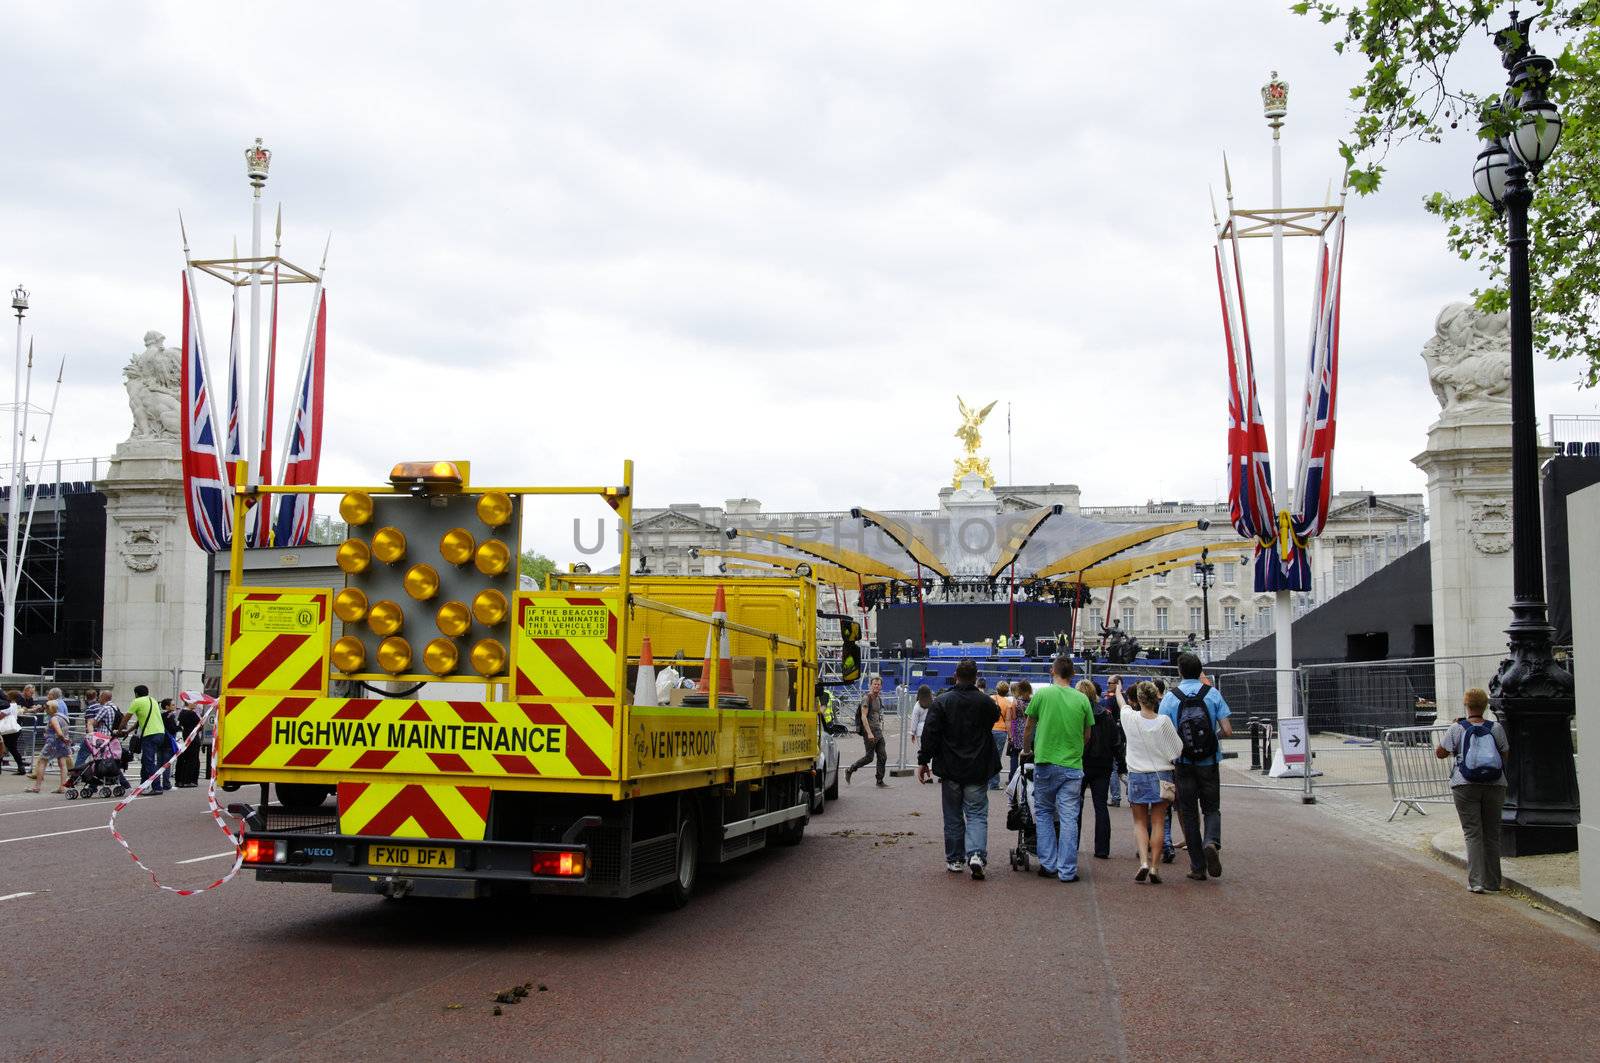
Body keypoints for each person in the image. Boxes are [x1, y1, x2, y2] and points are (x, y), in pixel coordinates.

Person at [916, 658, 1000, 878]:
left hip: (950, 767)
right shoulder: (986, 703)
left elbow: (930, 734)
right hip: (977, 767)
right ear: (975, 676)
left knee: (953, 815)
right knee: (977, 814)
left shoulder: (942, 702)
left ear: (955, 675)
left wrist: (923, 761)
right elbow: (992, 719)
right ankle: (976, 855)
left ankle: (955, 859)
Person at [1159, 653, 1233, 881]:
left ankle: (1198, 866)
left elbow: (1164, 733)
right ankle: (1211, 841)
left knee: (1188, 813)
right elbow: (1228, 730)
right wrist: (1211, 739)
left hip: (1183, 763)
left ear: (1180, 672)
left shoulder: (1171, 698)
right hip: (1209, 762)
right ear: (1200, 670)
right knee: (1212, 808)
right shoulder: (1212, 694)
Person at [1023, 656, 1096, 883]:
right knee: (1069, 817)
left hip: (1045, 761)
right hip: (1072, 766)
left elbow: (1028, 727)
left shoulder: (1043, 694)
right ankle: (1067, 870)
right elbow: (1087, 735)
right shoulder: (1082, 699)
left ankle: (1048, 864)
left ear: (1053, 671)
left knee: (1044, 813)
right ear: (1072, 673)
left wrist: (1027, 749)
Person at [1436, 687, 1509, 894]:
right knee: (1492, 833)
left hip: (1464, 784)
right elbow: (1505, 754)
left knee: (1472, 833)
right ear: (1486, 706)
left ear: (1466, 705)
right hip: (1495, 784)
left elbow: (1440, 753)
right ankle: (1493, 882)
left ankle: (1476, 881)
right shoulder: (1495, 728)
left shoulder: (1457, 728)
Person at [1119, 678, 1183, 883]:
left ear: (1137, 699)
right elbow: (1177, 749)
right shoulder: (1163, 721)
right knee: (1158, 822)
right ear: (1156, 698)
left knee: (1139, 822)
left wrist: (1119, 690)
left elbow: (1122, 704)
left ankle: (1144, 862)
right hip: (1161, 774)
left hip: (1137, 774)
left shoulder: (1129, 717)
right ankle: (1155, 867)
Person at [1077, 678, 1122, 862]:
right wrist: (1120, 763)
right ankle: (1102, 848)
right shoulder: (1106, 714)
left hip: (1080, 763)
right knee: (1101, 806)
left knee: (1075, 806)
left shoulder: (1077, 713)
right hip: (1102, 764)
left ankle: (1072, 842)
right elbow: (1115, 741)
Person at [845, 674, 888, 787]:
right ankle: (850, 769)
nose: (876, 686)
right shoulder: (866, 698)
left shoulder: (879, 699)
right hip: (869, 732)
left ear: (881, 686)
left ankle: (879, 780)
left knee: (882, 756)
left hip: (878, 731)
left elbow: (877, 715)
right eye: (875, 684)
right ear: (870, 685)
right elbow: (864, 717)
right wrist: (869, 733)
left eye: (878, 685)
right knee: (869, 758)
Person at [25, 690, 72, 793]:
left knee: (42, 761)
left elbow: (59, 733)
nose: (45, 710)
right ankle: (62, 787)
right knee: (62, 764)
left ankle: (37, 786)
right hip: (62, 744)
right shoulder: (64, 717)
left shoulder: (54, 719)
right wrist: (65, 739)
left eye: (46, 708)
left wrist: (63, 738)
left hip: (53, 742)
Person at [127, 684, 168, 795]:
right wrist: (128, 731)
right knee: (146, 761)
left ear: (136, 693)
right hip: (160, 733)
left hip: (150, 734)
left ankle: (157, 787)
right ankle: (143, 785)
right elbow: (140, 721)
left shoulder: (137, 701)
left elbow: (126, 717)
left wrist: (121, 729)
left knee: (149, 761)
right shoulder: (152, 700)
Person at [989, 681, 1015, 790]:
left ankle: (983, 781)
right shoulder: (1008, 703)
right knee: (997, 757)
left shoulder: (990, 699)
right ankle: (994, 783)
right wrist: (1010, 736)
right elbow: (1008, 720)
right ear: (1007, 691)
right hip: (1001, 731)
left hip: (989, 729)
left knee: (986, 755)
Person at [175, 696, 204, 788]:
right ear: (188, 703)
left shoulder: (181, 713)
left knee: (183, 759)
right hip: (192, 738)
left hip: (183, 738)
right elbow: (200, 726)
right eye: (194, 702)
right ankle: (189, 780)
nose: (196, 704)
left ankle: (180, 780)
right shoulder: (191, 713)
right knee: (192, 759)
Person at [1007, 680, 1032, 784]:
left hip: (1017, 729)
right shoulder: (1032, 701)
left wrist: (1010, 735)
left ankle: (1013, 778)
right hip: (1028, 729)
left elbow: (1011, 717)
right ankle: (1025, 777)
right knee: (1027, 755)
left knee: (1014, 754)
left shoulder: (1016, 702)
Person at [1, 689, 25, 776]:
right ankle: (21, 767)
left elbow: (1, 716)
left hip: (6, 730)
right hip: (14, 729)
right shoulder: (15, 705)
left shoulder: (6, 706)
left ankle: (21, 767)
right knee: (12, 749)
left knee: (5, 748)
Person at [160, 698, 180, 790]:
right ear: (167, 706)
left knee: (159, 764)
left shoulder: (160, 715)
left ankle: (155, 783)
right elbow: (172, 729)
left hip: (160, 741)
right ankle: (166, 784)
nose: (174, 706)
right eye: (172, 705)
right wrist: (179, 726)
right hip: (168, 742)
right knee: (167, 764)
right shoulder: (170, 716)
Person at [909, 684, 932, 750]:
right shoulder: (933, 703)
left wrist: (912, 733)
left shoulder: (918, 705)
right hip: (931, 730)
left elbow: (914, 720)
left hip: (920, 732)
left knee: (923, 751)